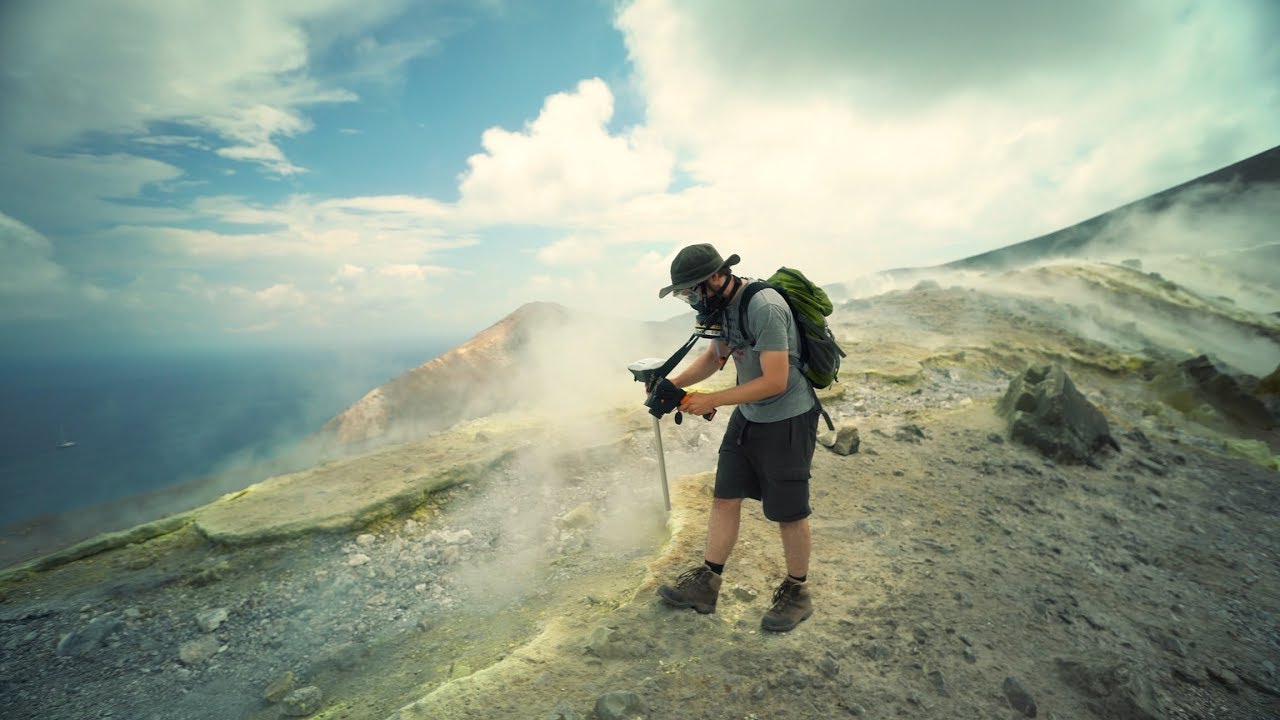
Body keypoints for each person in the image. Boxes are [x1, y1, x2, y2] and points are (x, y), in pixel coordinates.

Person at [654, 243, 821, 632]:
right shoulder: (722, 307)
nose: (691, 299)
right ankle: (707, 585)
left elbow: (775, 381)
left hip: (788, 418)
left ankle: (798, 594)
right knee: (725, 497)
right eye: (684, 294)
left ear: (716, 277)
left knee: (789, 512)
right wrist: (670, 384)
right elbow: (715, 358)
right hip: (749, 416)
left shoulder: (763, 306)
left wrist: (712, 400)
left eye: (692, 290)